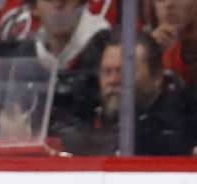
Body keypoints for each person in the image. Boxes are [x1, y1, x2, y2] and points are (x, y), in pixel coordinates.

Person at [57, 33, 196, 154]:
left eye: (124, 71)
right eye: (106, 72)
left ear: (157, 77)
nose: (113, 80)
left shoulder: (185, 127)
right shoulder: (83, 117)